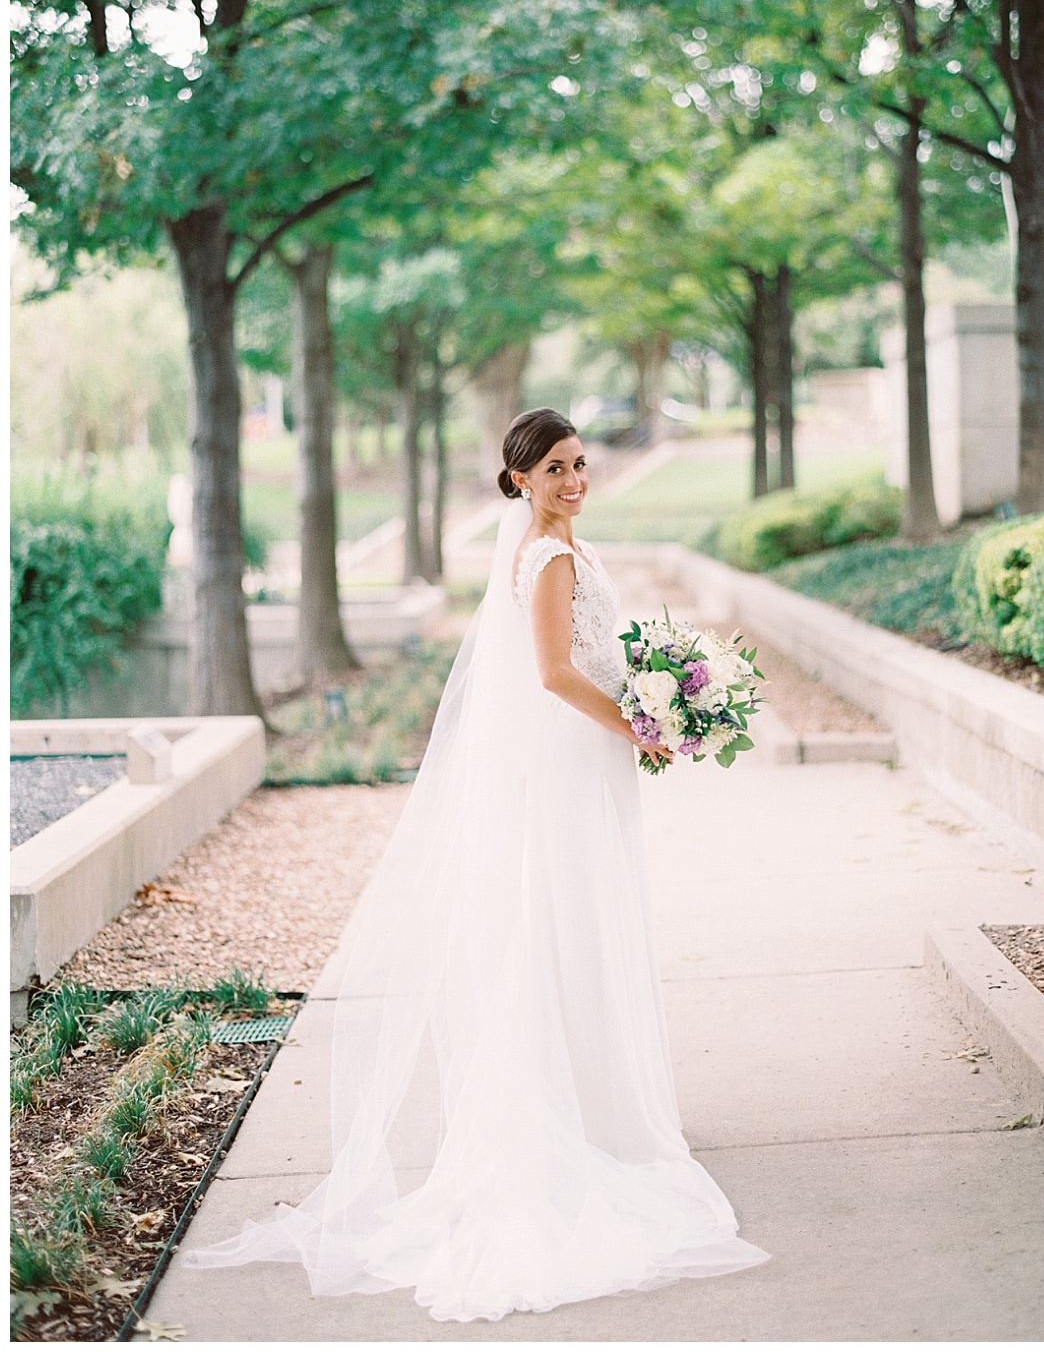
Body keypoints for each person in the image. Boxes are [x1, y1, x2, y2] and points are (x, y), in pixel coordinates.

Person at [183, 407, 768, 1322]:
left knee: (575, 918)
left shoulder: (552, 547)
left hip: (581, 756)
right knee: (568, 917)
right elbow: (551, 671)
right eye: (555, 470)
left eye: (579, 464)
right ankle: (583, 1120)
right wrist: (642, 721)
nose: (574, 480)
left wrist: (653, 692)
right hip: (574, 755)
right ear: (521, 481)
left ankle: (593, 1100)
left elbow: (593, 655)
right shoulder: (550, 555)